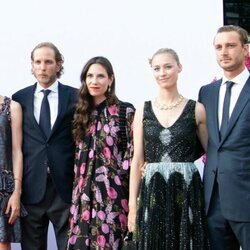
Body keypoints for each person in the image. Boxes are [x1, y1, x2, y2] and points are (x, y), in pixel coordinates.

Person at [128, 48, 209, 249]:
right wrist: (132, 206)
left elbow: (212, 153)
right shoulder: (143, 110)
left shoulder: (196, 109)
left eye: (168, 66)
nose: (162, 73)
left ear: (179, 68)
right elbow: (137, 159)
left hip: (187, 188)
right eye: (157, 68)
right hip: (152, 189)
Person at [12, 42, 78, 250]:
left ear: (58, 65)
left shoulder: (76, 97)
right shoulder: (19, 99)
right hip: (32, 189)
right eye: (38, 62)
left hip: (65, 188)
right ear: (32, 66)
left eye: (48, 62)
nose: (43, 67)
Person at [67, 56, 135, 250]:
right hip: (82, 201)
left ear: (110, 79)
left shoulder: (125, 112)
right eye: (89, 76)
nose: (94, 81)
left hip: (113, 200)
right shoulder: (80, 113)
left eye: (100, 76)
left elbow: (134, 156)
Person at [198, 25, 250, 249]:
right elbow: (206, 142)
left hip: (246, 197)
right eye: (219, 47)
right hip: (213, 200)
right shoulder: (206, 92)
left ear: (246, 49)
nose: (224, 52)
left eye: (230, 45)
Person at [0, 95, 27, 250]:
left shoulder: (12, 107)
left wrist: (16, 192)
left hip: (3, 188)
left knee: (3, 243)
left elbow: (17, 152)